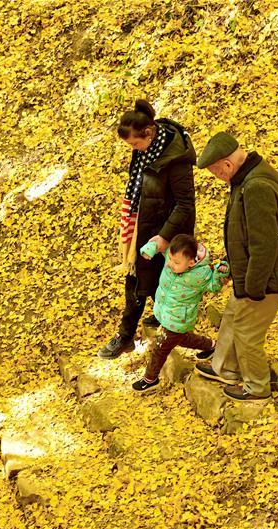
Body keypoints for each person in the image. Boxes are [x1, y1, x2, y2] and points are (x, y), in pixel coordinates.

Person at [193, 132, 278, 400]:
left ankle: (257, 388)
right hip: (253, 272)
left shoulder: (256, 188)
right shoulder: (250, 177)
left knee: (246, 332)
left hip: (265, 277)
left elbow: (264, 246)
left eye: (217, 172)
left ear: (227, 165)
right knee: (232, 315)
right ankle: (225, 368)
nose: (218, 177)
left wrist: (253, 288)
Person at [97, 100, 197, 359]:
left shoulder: (176, 159)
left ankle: (127, 334)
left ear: (149, 133)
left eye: (134, 144)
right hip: (143, 223)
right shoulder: (147, 149)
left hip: (165, 231)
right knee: (142, 280)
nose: (133, 149)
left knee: (146, 281)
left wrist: (163, 238)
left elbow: (186, 205)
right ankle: (137, 330)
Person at [132, 234, 230, 393]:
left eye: (176, 262)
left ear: (191, 262)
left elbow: (213, 286)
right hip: (166, 312)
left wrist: (220, 273)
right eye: (170, 259)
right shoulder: (172, 256)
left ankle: (150, 379)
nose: (170, 264)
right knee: (181, 338)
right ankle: (212, 346)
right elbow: (159, 245)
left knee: (161, 348)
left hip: (179, 318)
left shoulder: (201, 274)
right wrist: (150, 248)